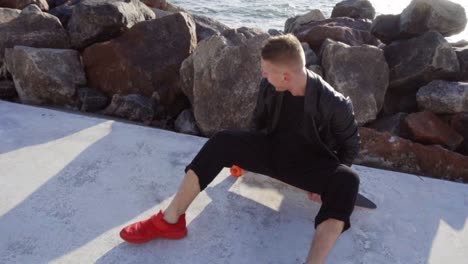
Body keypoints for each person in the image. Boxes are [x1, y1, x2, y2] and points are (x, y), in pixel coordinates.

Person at [119, 34, 361, 264]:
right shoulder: (270, 87)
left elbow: (350, 145)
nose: (263, 76)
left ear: (286, 76)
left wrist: (325, 183)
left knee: (348, 180)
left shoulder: (334, 104)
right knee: (223, 141)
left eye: (267, 72)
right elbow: (257, 125)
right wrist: (243, 156)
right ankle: (170, 221)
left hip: (310, 165)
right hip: (273, 153)